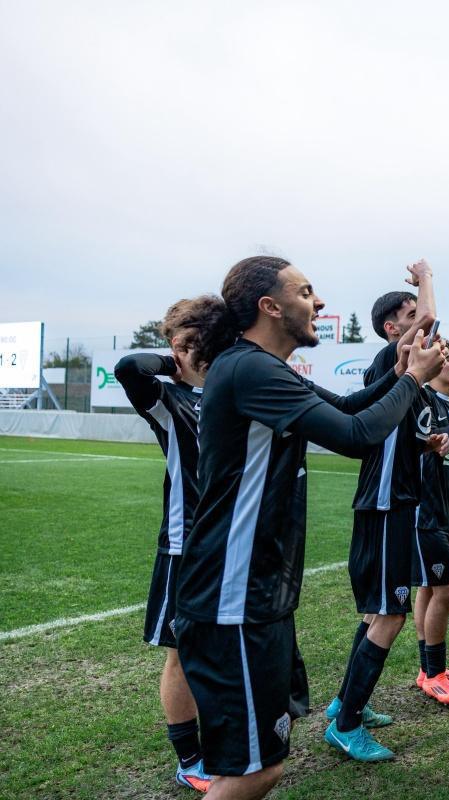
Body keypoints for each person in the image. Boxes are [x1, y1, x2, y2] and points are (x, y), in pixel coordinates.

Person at [175, 256, 445, 800]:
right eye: (306, 292)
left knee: (265, 758)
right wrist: (413, 379)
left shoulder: (262, 369)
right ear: (270, 307)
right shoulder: (248, 368)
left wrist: (397, 378)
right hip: (232, 595)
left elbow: (347, 407)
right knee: (255, 772)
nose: (319, 303)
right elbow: (355, 436)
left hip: (256, 592)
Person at [326, 262, 449, 762]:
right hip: (383, 503)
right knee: (391, 616)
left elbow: (393, 438)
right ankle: (347, 723)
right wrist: (426, 276)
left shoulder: (407, 370)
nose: (418, 320)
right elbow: (430, 323)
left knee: (381, 611)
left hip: (396, 500)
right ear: (392, 329)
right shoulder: (392, 356)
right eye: (408, 314)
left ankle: (345, 704)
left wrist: (426, 445)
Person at [115, 295, 234, 793]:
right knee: (182, 653)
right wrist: (178, 360)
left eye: (191, 339)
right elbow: (128, 366)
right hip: (185, 547)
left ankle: (228, 740)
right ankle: (190, 758)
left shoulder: (234, 392)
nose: (182, 349)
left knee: (226, 650)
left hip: (234, 546)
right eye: (178, 342)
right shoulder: (167, 401)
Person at [412, 340, 449, 705]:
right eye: (448, 358)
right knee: (446, 589)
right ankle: (433, 673)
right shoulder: (423, 400)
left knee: (430, 589)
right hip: (425, 511)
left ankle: (428, 667)